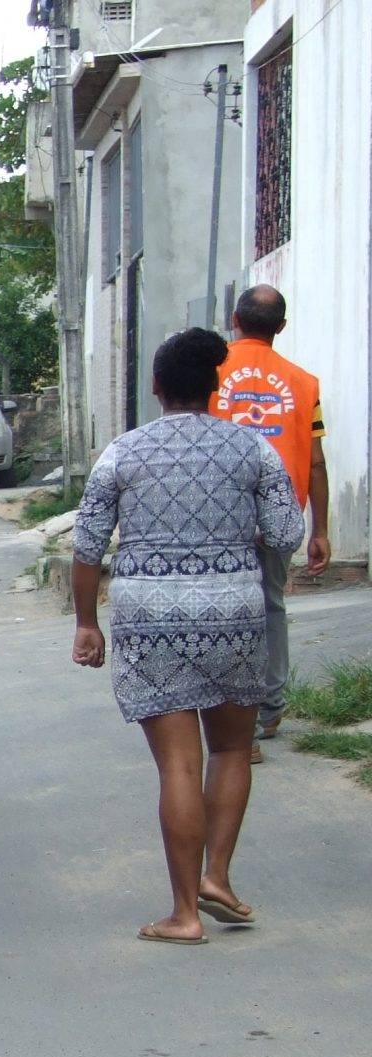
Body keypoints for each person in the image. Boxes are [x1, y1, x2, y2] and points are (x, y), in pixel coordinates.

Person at [71, 328, 304, 945]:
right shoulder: (254, 451)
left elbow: (88, 545)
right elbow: (286, 536)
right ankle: (218, 878)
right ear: (215, 387)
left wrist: (87, 623)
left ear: (156, 387)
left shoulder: (122, 453)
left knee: (179, 762)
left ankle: (184, 914)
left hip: (150, 619)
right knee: (231, 750)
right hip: (234, 613)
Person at [212, 284, 332, 759]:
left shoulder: (209, 371)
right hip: (278, 515)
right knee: (269, 607)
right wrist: (320, 528)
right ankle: (267, 708)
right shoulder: (304, 383)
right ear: (280, 328)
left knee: (223, 609)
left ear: (234, 320)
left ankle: (228, 714)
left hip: (219, 512)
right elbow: (317, 462)